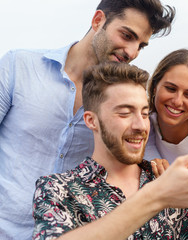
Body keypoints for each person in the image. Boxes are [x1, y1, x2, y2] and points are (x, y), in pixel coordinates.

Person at [0, 1, 175, 239]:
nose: (132, 52)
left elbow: (145, 155)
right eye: (126, 35)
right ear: (98, 20)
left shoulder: (123, 101)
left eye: (141, 46)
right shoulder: (18, 66)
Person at [32, 62, 188, 240]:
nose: (140, 125)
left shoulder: (175, 185)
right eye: (125, 113)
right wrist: (155, 196)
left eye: (145, 114)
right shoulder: (57, 190)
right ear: (91, 121)